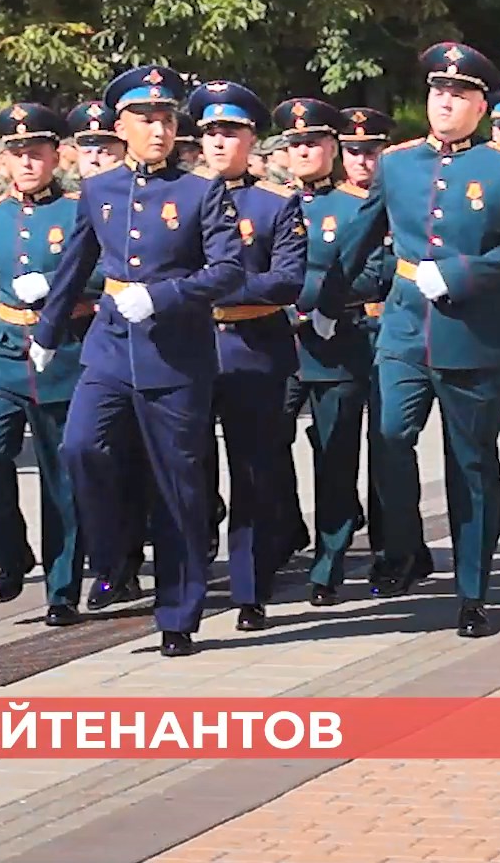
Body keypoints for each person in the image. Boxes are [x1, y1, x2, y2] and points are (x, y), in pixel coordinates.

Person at [332, 41, 500, 639]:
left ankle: (472, 592)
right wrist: (318, 298)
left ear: (481, 107)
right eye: (438, 92)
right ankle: (406, 547)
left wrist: (459, 273)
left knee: (469, 461)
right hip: (404, 326)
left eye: (459, 94)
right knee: (389, 437)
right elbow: (357, 237)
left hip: (475, 333)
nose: (445, 103)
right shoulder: (398, 163)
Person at [29, 65, 245, 658]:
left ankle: (177, 614)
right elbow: (75, 263)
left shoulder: (201, 192)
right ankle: (113, 552)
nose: (158, 129)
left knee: (177, 487)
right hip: (108, 349)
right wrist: (47, 331)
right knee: (81, 447)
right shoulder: (99, 190)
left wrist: (164, 296)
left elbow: (229, 271)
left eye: (167, 119)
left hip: (175, 357)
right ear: (120, 126)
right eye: (146, 119)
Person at [0, 102, 91, 625]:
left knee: (63, 476)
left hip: (64, 350)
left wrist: (57, 287)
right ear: (3, 161)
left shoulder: (81, 209)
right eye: (17, 154)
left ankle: (62, 588)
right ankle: (10, 556)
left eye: (37, 153)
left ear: (56, 156)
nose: (28, 162)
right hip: (5, 349)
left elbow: (107, 269)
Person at [197, 84, 305, 632]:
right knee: (189, 469)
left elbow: (286, 279)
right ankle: (192, 577)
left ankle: (250, 587)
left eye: (231, 133)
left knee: (253, 471)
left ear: (251, 140)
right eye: (211, 133)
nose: (220, 142)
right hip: (191, 347)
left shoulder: (275, 203)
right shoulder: (180, 199)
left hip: (255, 346)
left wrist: (210, 289)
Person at [288, 106, 401, 605]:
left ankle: (333, 562)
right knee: (273, 448)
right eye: (294, 145)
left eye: (313, 143)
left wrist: (315, 300)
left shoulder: (356, 206)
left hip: (344, 340)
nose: (302, 152)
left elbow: (374, 273)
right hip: (283, 343)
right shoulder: (277, 203)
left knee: (349, 453)